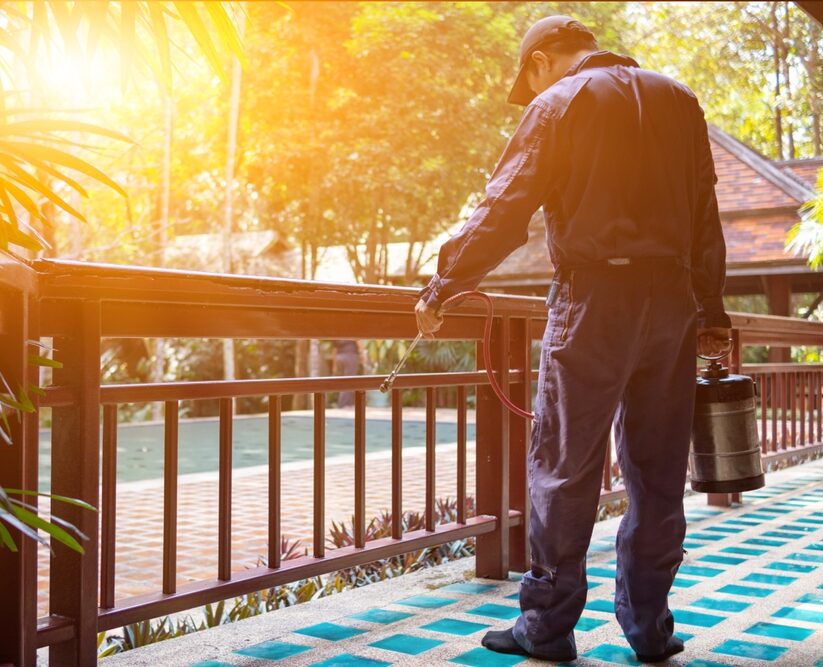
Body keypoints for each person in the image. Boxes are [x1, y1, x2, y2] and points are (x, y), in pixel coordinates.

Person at [414, 14, 733, 664]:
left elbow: (504, 207)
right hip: (671, 300)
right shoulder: (678, 99)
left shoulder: (556, 104)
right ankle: (649, 627)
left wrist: (444, 282)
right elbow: (704, 213)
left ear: (540, 61)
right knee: (657, 468)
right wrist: (713, 310)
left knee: (563, 465)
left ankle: (547, 626)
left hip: (593, 298)